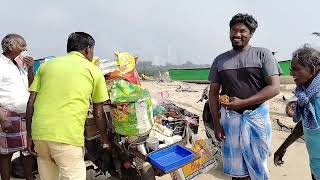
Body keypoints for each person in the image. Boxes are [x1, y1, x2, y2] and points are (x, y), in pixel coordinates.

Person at [26, 32, 111, 180]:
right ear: (87, 49)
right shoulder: (93, 70)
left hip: (39, 134)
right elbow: (98, 113)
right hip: (67, 136)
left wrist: (28, 135)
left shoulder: (46, 66)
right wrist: (105, 140)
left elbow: (31, 103)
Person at [208, 13, 281, 180]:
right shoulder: (220, 60)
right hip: (230, 120)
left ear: (251, 33)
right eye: (233, 30)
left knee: (257, 165)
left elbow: (274, 88)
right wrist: (217, 124)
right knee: (236, 169)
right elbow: (213, 93)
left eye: (242, 31)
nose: (237, 34)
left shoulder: (263, 54)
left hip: (256, 118)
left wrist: (243, 103)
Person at [274, 46, 320, 180]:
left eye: (296, 69)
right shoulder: (306, 95)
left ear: (312, 69)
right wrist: (284, 147)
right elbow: (304, 124)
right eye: (291, 69)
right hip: (316, 164)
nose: (292, 74)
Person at [0, 34, 35, 180]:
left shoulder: (19, 63)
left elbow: (32, 85)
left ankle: (29, 177)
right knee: (5, 153)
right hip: (8, 114)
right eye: (22, 45)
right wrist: (2, 118)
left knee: (26, 151)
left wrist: (31, 68)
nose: (25, 48)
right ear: (10, 46)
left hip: (24, 114)